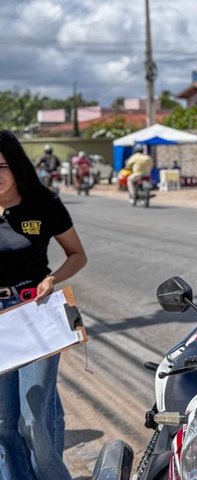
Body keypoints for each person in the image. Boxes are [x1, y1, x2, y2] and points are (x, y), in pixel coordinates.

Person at [0, 130, 87, 480]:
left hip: (34, 313)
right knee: (4, 421)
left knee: (34, 415)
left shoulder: (44, 203)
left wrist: (53, 279)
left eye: (1, 166)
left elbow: (77, 255)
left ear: (16, 165)